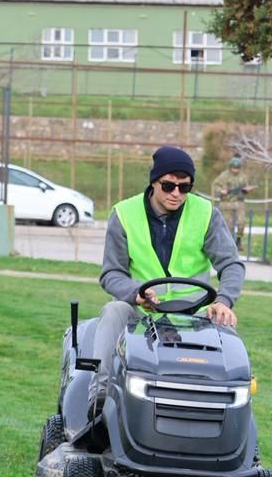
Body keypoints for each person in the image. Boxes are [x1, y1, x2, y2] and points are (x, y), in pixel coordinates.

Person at [90, 145, 245, 387]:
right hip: (142, 312)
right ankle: (99, 394)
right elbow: (111, 273)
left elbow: (232, 264)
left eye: (184, 187)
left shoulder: (206, 214)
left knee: (226, 325)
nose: (176, 194)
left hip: (196, 313)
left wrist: (223, 301)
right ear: (154, 182)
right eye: (168, 186)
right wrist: (136, 294)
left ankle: (228, 401)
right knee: (113, 311)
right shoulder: (124, 214)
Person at [210, 156, 256, 249]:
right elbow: (214, 185)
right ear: (230, 167)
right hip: (226, 203)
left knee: (241, 222)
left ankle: (239, 240)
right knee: (228, 225)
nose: (235, 170)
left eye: (237, 168)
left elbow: (246, 187)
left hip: (239, 202)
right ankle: (228, 243)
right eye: (233, 168)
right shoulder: (224, 176)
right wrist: (221, 190)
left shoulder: (243, 176)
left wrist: (247, 190)